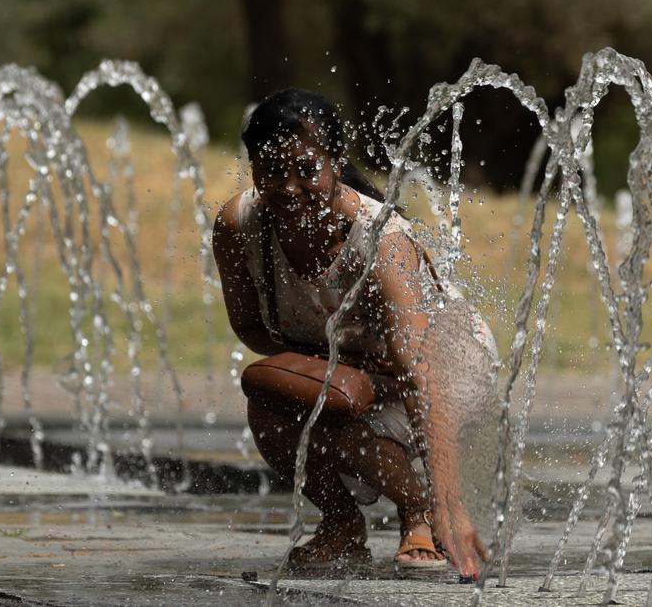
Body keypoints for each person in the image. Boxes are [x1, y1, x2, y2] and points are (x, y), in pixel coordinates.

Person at [212, 88, 494, 579]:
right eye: (273, 171)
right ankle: (342, 523)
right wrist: (343, 366)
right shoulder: (240, 225)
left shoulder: (381, 241)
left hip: (447, 362)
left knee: (335, 403)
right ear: (255, 167)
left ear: (335, 162)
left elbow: (418, 372)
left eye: (306, 169)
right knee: (271, 394)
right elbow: (254, 331)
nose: (289, 186)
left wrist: (453, 505)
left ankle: (423, 510)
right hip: (357, 365)